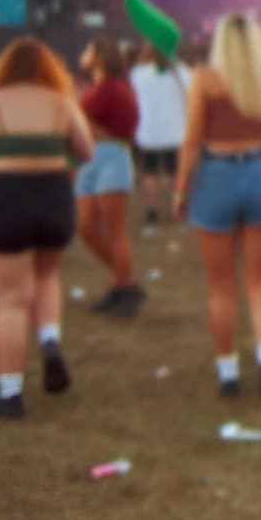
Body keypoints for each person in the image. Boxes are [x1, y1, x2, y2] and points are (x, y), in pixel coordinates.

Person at [0, 38, 93, 419]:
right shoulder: (61, 101)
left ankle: (10, 394)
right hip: (54, 195)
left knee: (11, 299)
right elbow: (85, 151)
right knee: (47, 275)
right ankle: (50, 341)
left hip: (5, 200)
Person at [177, 13, 261, 399]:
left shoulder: (205, 80)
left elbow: (192, 140)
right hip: (257, 173)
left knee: (221, 287)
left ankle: (228, 374)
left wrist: (179, 189)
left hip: (216, 176)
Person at [75, 38, 144, 318]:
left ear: (100, 56)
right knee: (87, 227)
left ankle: (123, 287)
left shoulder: (114, 87)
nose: (83, 54)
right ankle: (124, 282)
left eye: (87, 48)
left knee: (114, 231)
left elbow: (127, 128)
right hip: (90, 158)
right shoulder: (100, 86)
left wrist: (84, 122)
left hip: (111, 157)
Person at [129, 42, 190, 226]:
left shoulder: (138, 74)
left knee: (149, 175)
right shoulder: (182, 73)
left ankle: (152, 212)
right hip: (176, 133)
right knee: (178, 175)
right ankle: (179, 210)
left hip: (148, 134)